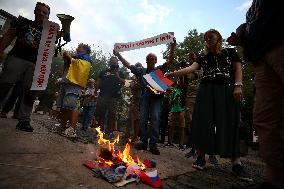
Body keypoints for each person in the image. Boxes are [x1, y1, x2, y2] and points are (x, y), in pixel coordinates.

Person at [166, 29, 251, 181]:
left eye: (211, 35)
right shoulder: (203, 57)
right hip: (206, 90)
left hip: (226, 89)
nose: (208, 38)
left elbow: (238, 69)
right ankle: (200, 157)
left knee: (229, 122)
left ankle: (236, 163)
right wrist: (173, 74)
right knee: (203, 122)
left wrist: (238, 85)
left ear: (218, 37)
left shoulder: (230, 52)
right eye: (205, 37)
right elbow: (191, 68)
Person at [227, 1, 284, 188]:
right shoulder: (254, 7)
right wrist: (242, 36)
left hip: (279, 44)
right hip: (260, 58)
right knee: (264, 117)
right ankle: (273, 178)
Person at [113, 39, 176, 155]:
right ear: (146, 61)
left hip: (157, 97)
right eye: (149, 59)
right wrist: (118, 55)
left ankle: (153, 144)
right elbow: (128, 65)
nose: (151, 60)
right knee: (142, 118)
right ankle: (143, 141)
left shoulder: (159, 70)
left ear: (156, 61)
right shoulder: (141, 71)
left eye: (153, 59)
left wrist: (172, 47)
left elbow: (170, 61)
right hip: (145, 96)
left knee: (155, 118)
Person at [0, 2, 52, 132]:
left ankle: (24, 120)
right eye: (39, 11)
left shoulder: (50, 31)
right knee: (4, 85)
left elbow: (57, 42)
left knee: (31, 92)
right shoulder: (22, 21)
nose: (41, 13)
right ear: (34, 11)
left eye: (44, 12)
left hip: (36, 64)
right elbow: (9, 36)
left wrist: (65, 31)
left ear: (48, 16)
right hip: (17, 57)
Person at [57, 43, 93, 137]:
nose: (77, 48)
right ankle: (62, 127)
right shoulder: (75, 57)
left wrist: (68, 57)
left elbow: (78, 67)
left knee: (73, 107)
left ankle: (72, 130)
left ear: (85, 49)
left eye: (79, 47)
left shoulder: (86, 58)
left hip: (74, 85)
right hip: (66, 83)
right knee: (64, 107)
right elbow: (69, 65)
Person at [94, 56, 125, 136]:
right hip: (103, 95)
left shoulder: (120, 73)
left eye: (115, 62)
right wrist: (95, 92)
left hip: (114, 97)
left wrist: (117, 76)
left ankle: (109, 132)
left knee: (112, 114)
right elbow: (98, 81)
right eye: (112, 62)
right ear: (109, 63)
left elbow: (125, 83)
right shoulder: (103, 72)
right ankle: (100, 131)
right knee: (101, 113)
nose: (113, 63)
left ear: (117, 63)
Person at [166, 77, 186, 150]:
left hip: (181, 111)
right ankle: (169, 142)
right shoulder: (174, 91)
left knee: (182, 128)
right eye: (179, 80)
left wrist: (185, 110)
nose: (180, 82)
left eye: (181, 80)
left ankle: (181, 144)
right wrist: (175, 99)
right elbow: (170, 102)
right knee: (171, 127)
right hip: (173, 111)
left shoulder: (185, 91)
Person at [129, 63, 143, 141]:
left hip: (140, 100)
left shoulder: (142, 77)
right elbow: (129, 85)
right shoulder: (134, 78)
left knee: (137, 119)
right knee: (133, 118)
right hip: (134, 100)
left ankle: (136, 136)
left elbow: (138, 86)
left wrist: (134, 83)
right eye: (137, 67)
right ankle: (133, 134)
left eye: (139, 67)